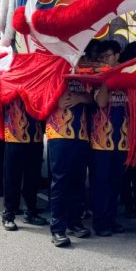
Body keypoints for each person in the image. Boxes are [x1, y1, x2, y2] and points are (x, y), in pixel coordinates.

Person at [45, 70, 94, 248]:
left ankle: (74, 223)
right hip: (58, 134)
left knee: (78, 182)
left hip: (81, 135)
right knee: (60, 182)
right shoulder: (52, 70)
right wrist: (54, 100)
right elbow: (39, 96)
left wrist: (81, 98)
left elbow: (92, 98)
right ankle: (58, 230)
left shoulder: (83, 72)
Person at [90, 39, 127, 237]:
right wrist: (107, 77)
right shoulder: (97, 77)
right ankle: (100, 222)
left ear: (117, 56)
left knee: (116, 183)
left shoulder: (128, 76)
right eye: (102, 57)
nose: (106, 59)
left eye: (109, 56)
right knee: (101, 183)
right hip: (100, 141)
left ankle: (112, 219)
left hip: (122, 140)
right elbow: (101, 102)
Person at [0, 98, 47, 232]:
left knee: (32, 178)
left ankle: (31, 212)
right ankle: (8, 214)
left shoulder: (37, 78)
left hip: (35, 135)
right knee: (12, 177)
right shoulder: (8, 76)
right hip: (14, 135)